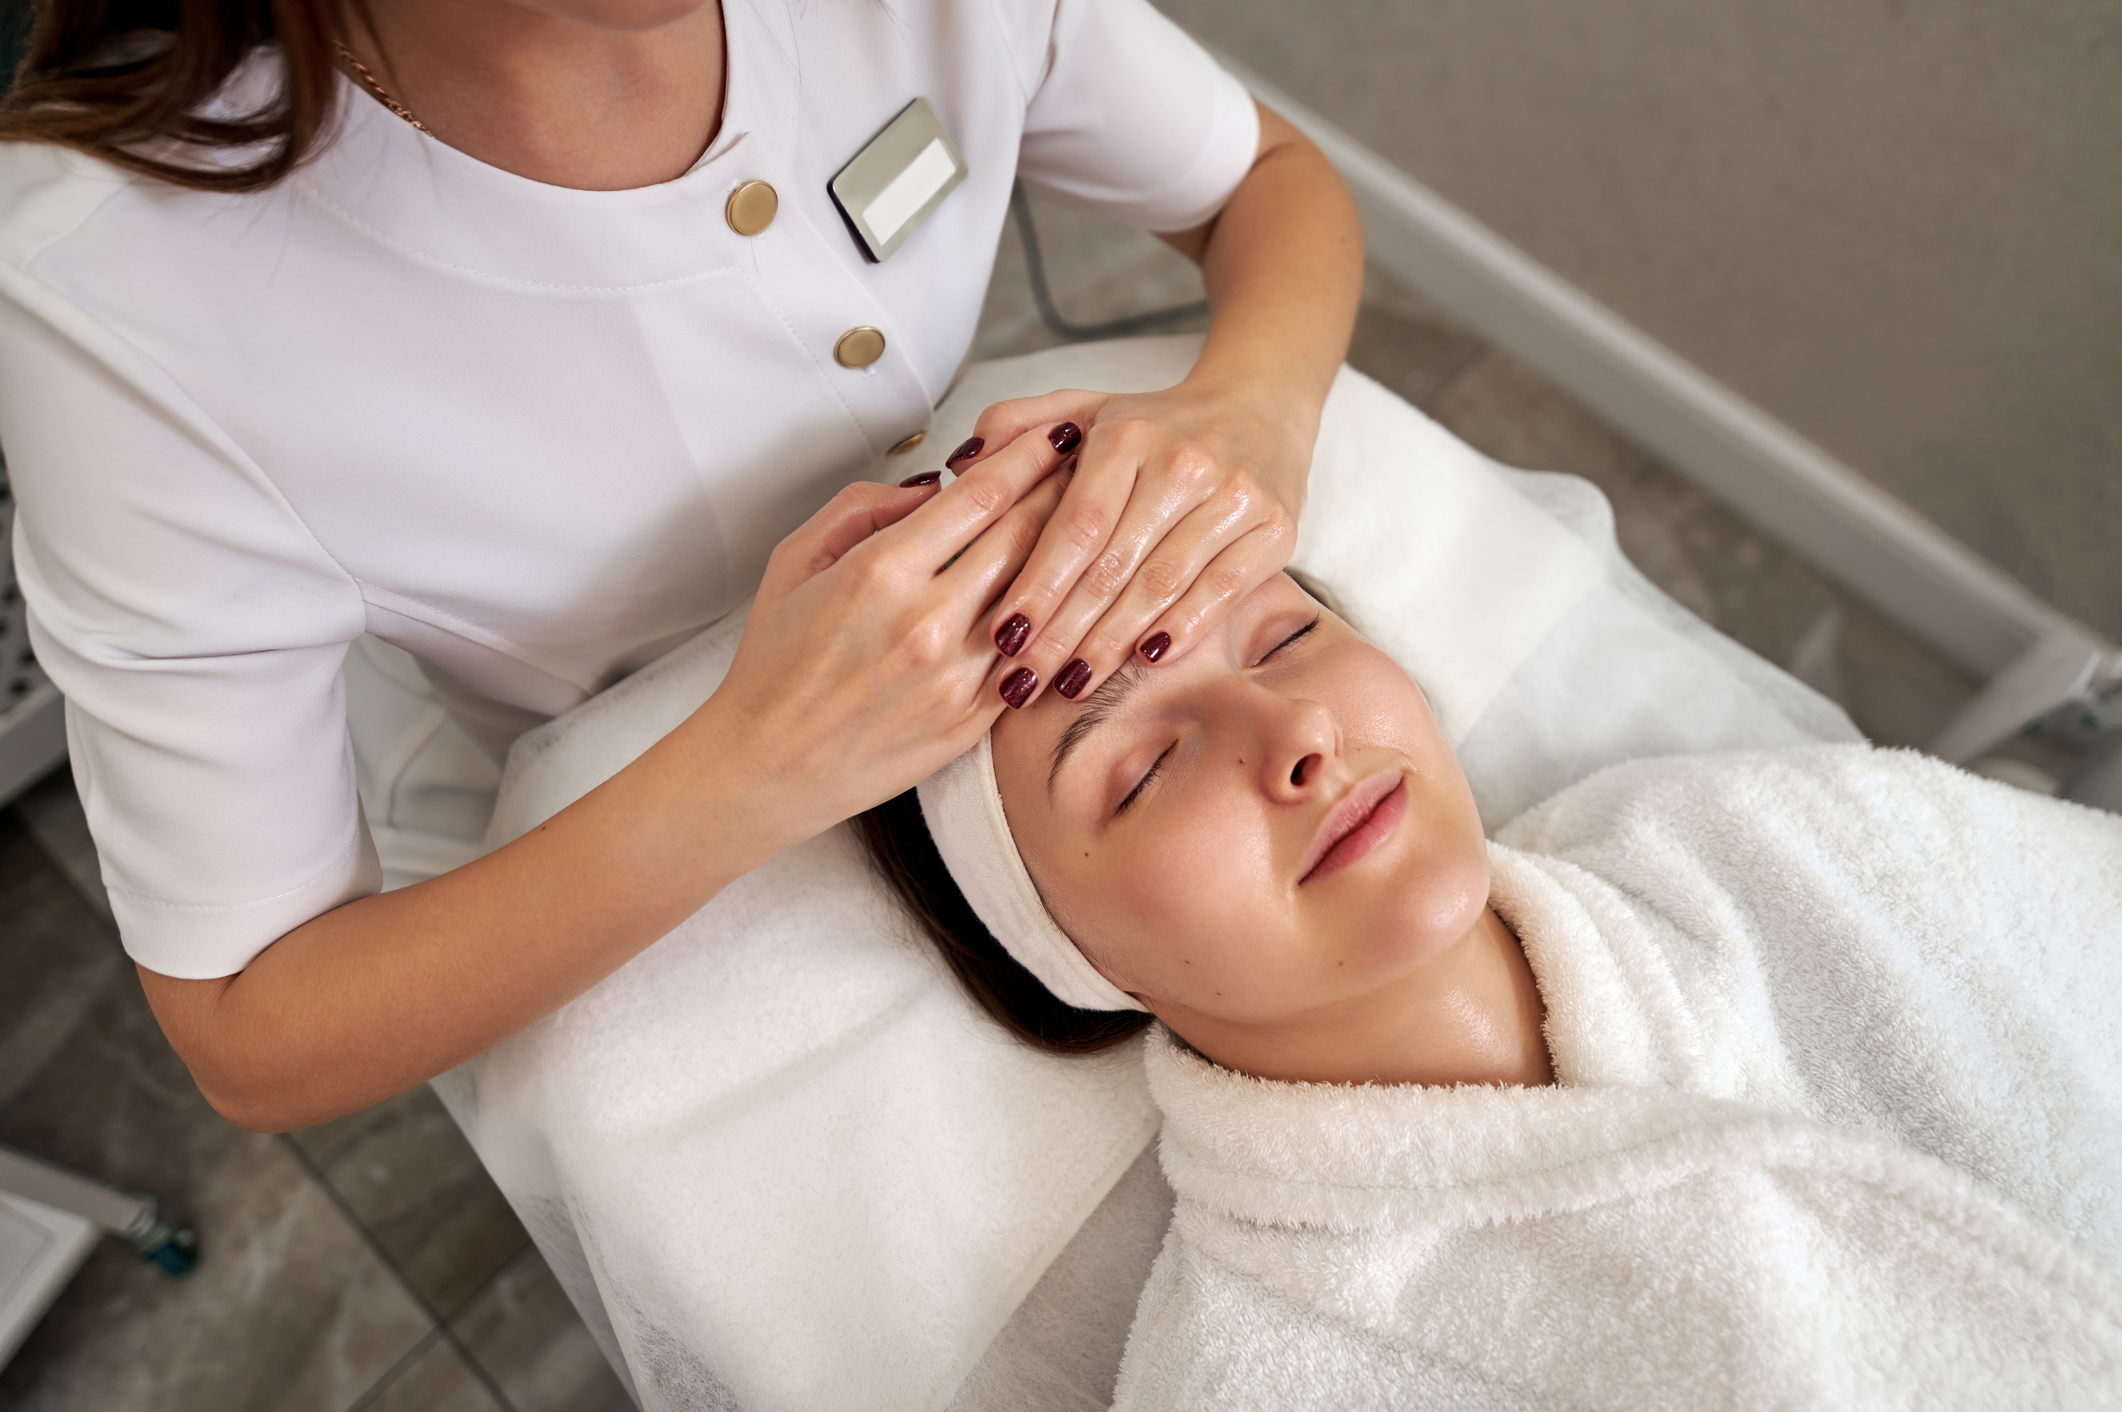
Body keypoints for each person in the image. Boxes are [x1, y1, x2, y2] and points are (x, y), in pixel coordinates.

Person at [0, 0, 1362, 1131]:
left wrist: (1254, 404)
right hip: (631, 822)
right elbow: (252, 1029)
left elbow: (1262, 180)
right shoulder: (118, 297)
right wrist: (755, 765)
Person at [857, 570, 2122, 1404]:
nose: (1297, 735)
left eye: (1284, 635)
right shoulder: (1253, 1378)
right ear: (1066, 958)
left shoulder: (1781, 841)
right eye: (1137, 772)